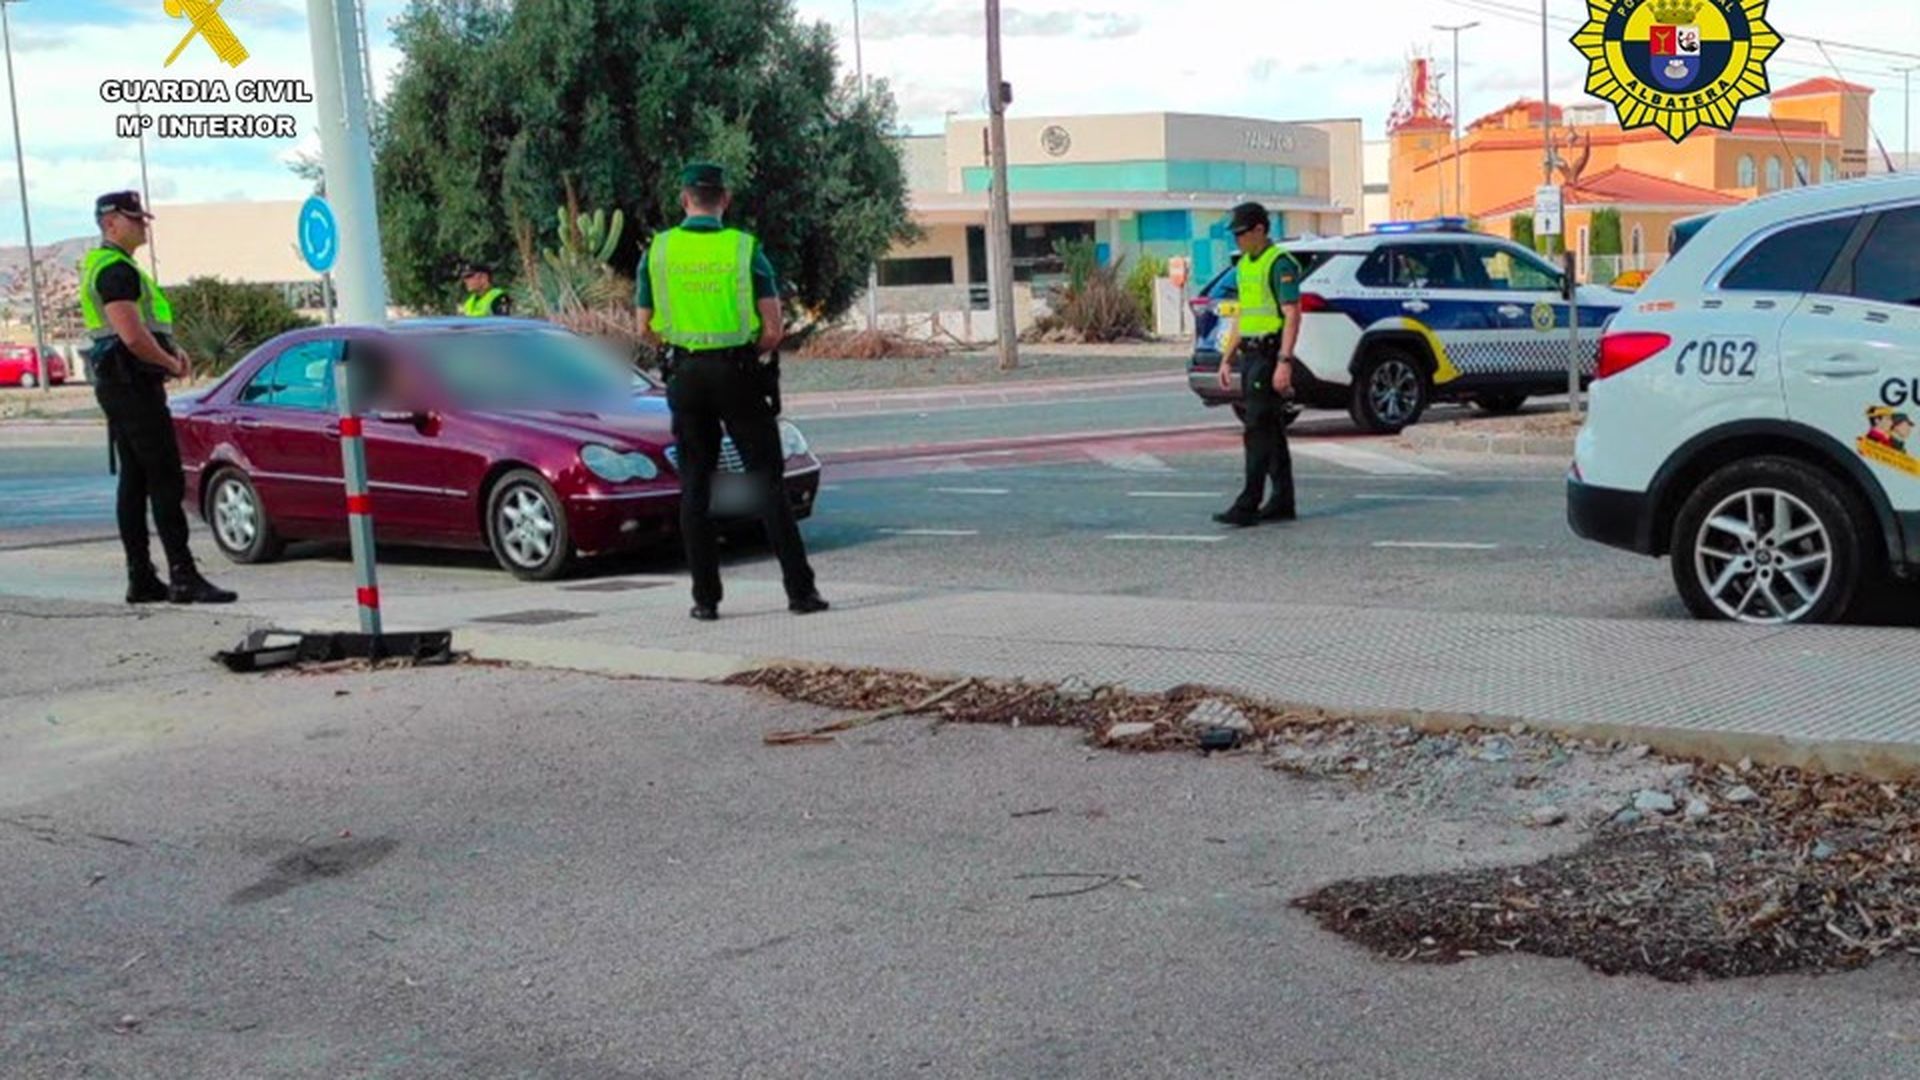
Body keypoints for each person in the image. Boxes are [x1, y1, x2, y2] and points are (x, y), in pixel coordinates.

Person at [635, 162, 827, 621]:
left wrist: (681, 350)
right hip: (737, 372)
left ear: (684, 200)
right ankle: (800, 592)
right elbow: (774, 328)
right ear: (724, 200)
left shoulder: (657, 252)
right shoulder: (745, 250)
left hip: (685, 374)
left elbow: (643, 328)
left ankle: (706, 600)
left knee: (695, 486)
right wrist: (747, 353)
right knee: (767, 482)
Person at [78, 191, 235, 605]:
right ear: (110, 223)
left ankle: (142, 578)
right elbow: (130, 334)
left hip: (120, 386)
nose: (143, 225)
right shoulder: (115, 271)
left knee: (134, 480)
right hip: (132, 387)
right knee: (165, 478)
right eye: (134, 219)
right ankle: (182, 575)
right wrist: (169, 361)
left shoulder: (112, 266)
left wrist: (170, 349)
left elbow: (137, 329)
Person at [1214, 201, 1303, 527]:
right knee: (1271, 430)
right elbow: (1242, 314)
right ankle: (1282, 500)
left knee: (1257, 429)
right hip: (1250, 356)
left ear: (1260, 230)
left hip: (1269, 354)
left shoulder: (1279, 263)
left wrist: (1284, 362)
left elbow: (1293, 315)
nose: (1237, 240)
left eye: (1242, 233)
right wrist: (1226, 358)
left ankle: (1249, 502)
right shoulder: (1245, 266)